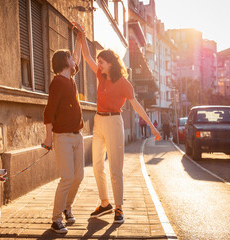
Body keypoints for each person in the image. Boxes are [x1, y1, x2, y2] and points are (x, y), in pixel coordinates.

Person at [73, 22, 161, 224]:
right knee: (96, 165)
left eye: (101, 61)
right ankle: (105, 203)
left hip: (114, 122)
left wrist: (152, 127)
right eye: (99, 62)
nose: (99, 64)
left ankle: (119, 208)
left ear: (111, 63)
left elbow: (137, 106)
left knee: (115, 167)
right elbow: (86, 56)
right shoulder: (101, 75)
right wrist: (82, 35)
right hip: (99, 121)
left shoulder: (123, 83)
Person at [43, 33, 84, 234]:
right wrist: (48, 137)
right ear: (64, 62)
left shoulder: (70, 79)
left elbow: (76, 56)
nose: (73, 59)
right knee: (67, 177)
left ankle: (68, 207)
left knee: (79, 176)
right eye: (70, 57)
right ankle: (56, 219)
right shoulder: (58, 82)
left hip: (77, 136)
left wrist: (79, 40)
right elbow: (49, 111)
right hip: (63, 137)